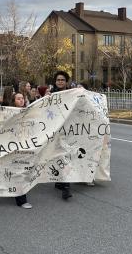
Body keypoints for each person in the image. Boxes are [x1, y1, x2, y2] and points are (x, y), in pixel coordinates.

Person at [51, 70, 73, 200]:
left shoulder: (72, 94)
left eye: (62, 80)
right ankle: (60, 181)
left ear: (66, 82)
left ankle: (66, 186)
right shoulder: (51, 95)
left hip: (69, 130)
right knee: (57, 156)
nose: (60, 82)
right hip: (54, 131)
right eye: (58, 80)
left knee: (66, 156)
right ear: (55, 82)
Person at [10, 92, 33, 209]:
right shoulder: (8, 112)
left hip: (25, 147)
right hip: (12, 148)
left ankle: (17, 194)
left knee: (21, 173)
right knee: (18, 173)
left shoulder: (28, 111)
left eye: (22, 98)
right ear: (13, 101)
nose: (21, 100)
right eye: (18, 99)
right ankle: (21, 200)